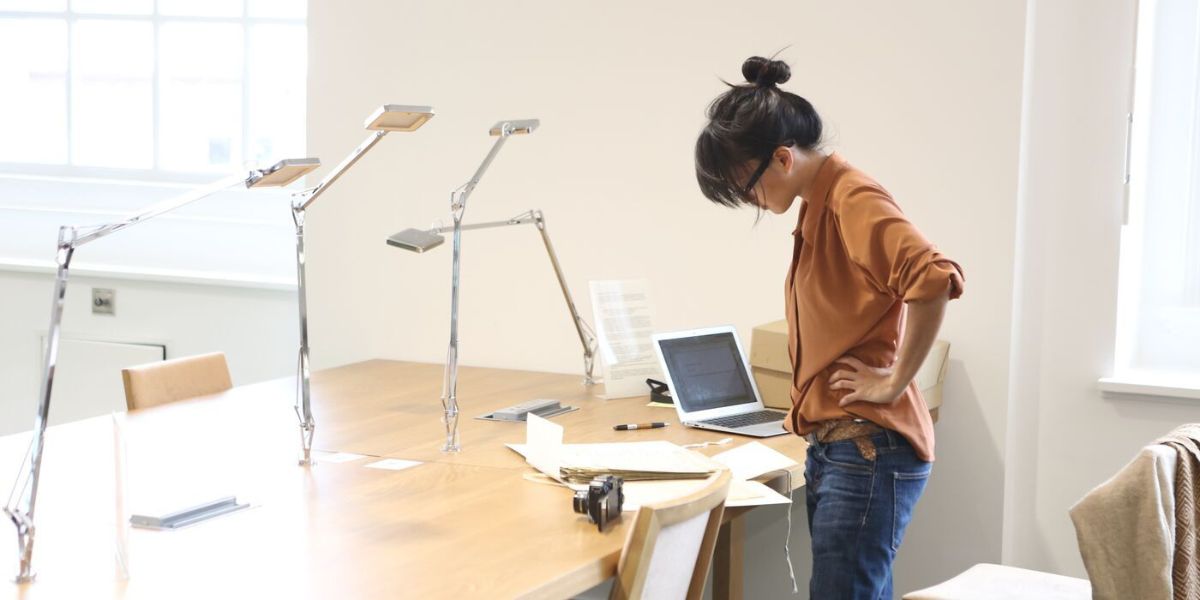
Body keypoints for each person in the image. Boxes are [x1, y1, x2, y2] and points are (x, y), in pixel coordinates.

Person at [694, 56, 965, 599]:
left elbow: (934, 279)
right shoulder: (820, 204)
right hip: (840, 446)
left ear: (781, 157)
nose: (747, 199)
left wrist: (889, 383)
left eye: (744, 186)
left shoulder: (850, 197)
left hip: (867, 446)